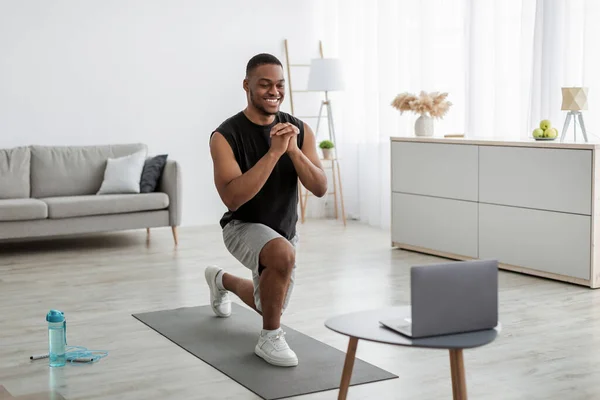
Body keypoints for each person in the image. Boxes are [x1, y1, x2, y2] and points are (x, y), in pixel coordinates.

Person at [205, 53, 328, 367]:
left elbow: (320, 187)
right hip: (242, 226)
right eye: (264, 85)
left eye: (279, 85)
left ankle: (222, 281)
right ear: (247, 86)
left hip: (284, 231)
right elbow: (233, 199)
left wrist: (294, 152)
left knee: (269, 302)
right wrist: (274, 154)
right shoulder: (225, 136)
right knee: (281, 257)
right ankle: (270, 338)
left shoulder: (298, 129)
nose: (274, 91)